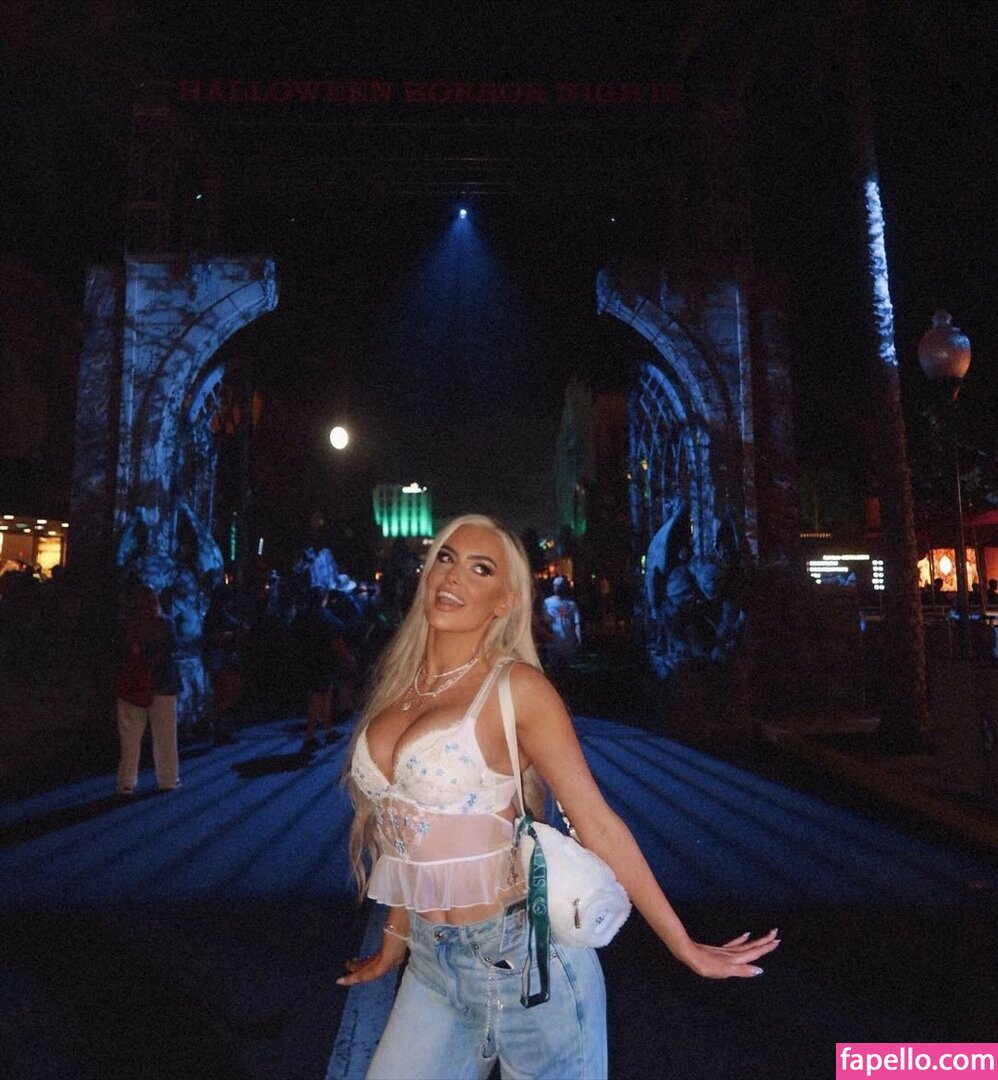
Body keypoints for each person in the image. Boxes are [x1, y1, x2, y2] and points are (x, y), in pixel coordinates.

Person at [337, 515, 778, 1078]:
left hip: (527, 965)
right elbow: (409, 832)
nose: (454, 576)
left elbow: (598, 823)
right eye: (446, 558)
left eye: (480, 569)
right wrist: (397, 940)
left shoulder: (517, 689)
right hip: (432, 963)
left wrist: (684, 945)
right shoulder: (399, 690)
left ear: (504, 602)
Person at [114, 583, 180, 795]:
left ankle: (126, 782)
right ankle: (168, 779)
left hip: (132, 685)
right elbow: (173, 647)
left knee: (130, 738)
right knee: (165, 737)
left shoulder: (126, 625)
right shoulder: (165, 623)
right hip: (163, 683)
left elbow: (119, 653)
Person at [294, 586, 349, 751]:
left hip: (307, 662)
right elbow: (337, 641)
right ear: (323, 599)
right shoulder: (327, 618)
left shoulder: (302, 617)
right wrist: (347, 658)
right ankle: (309, 737)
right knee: (317, 699)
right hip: (323, 663)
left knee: (324, 697)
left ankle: (328, 730)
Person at [541, 575, 581, 689]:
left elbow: (576, 622)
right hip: (553, 640)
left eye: (560, 586)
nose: (557, 588)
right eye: (555, 586)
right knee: (554, 667)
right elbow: (544, 620)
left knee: (566, 667)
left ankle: (567, 688)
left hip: (568, 640)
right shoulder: (547, 603)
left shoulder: (571, 604)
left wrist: (578, 637)